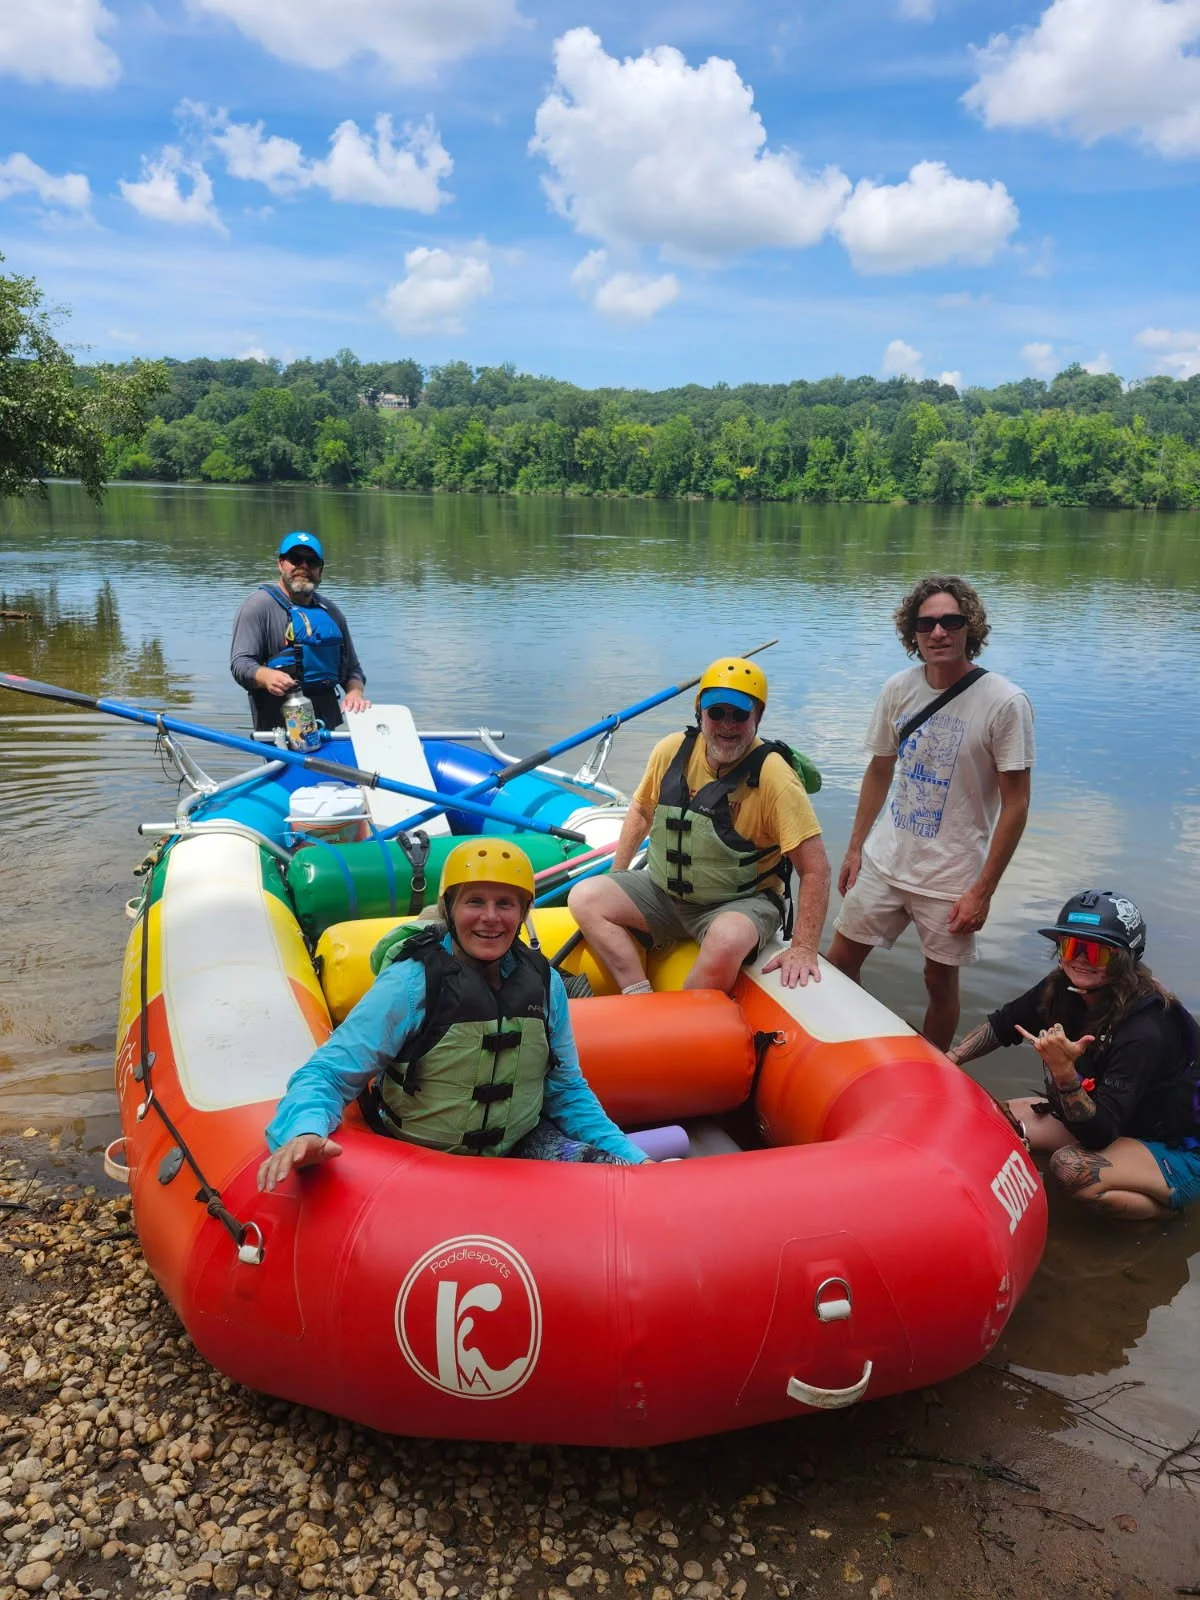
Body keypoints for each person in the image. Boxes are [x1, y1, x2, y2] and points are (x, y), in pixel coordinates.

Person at [259, 839, 649, 1191]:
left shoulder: (546, 983)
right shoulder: (410, 982)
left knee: (617, 1179)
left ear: (523, 912)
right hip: (418, 1158)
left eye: (505, 904)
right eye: (475, 902)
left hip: (518, 1147)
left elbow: (566, 1090)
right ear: (449, 908)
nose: (490, 917)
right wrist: (303, 1130)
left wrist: (633, 1157)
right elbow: (329, 1073)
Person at [827, 575, 1033, 1050]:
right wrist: (855, 848)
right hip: (885, 860)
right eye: (926, 624)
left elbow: (1016, 805)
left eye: (950, 621)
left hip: (950, 877)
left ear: (969, 627)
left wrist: (982, 891)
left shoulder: (1005, 702)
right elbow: (880, 770)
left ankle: (932, 1065)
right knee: (839, 964)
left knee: (938, 985)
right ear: (913, 633)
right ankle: (862, 1046)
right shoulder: (898, 689)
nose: (938, 632)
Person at [568, 657, 830, 995]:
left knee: (728, 938)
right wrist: (618, 873)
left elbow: (815, 868)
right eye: (716, 712)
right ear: (700, 713)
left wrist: (804, 947)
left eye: (739, 715)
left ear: (758, 716)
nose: (727, 725)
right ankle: (637, 993)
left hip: (739, 901)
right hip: (663, 894)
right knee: (585, 896)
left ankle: (685, 1014)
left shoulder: (774, 776)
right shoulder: (671, 751)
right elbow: (641, 812)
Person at [947, 891, 1200, 1221]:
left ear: (1124, 958)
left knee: (1070, 1167)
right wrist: (948, 1060)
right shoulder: (1062, 988)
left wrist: (1064, 1072)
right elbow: (1003, 1025)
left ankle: (1164, 1213)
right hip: (1116, 1118)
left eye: (1096, 951)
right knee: (995, 1120)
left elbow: (1099, 1134)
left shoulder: (1145, 1030)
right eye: (1070, 946)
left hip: (1174, 1146)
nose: (1080, 959)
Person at [230, 531, 370, 733]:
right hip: (277, 732)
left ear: (320, 570)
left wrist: (355, 693)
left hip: (327, 730)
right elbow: (240, 664)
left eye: (312, 562)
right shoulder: (258, 607)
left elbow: (353, 670)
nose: (303, 567)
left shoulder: (331, 612)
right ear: (281, 564)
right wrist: (266, 676)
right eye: (296, 559)